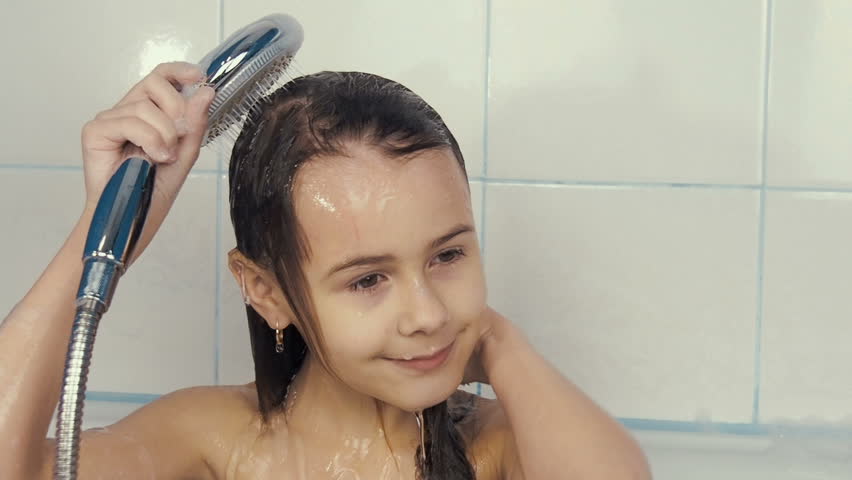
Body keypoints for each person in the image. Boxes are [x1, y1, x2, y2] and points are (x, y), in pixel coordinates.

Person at [0, 62, 651, 479]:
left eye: (448, 255)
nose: (426, 314)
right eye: (369, 279)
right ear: (266, 291)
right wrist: (100, 233)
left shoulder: (500, 446)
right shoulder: (214, 445)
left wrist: (499, 344)